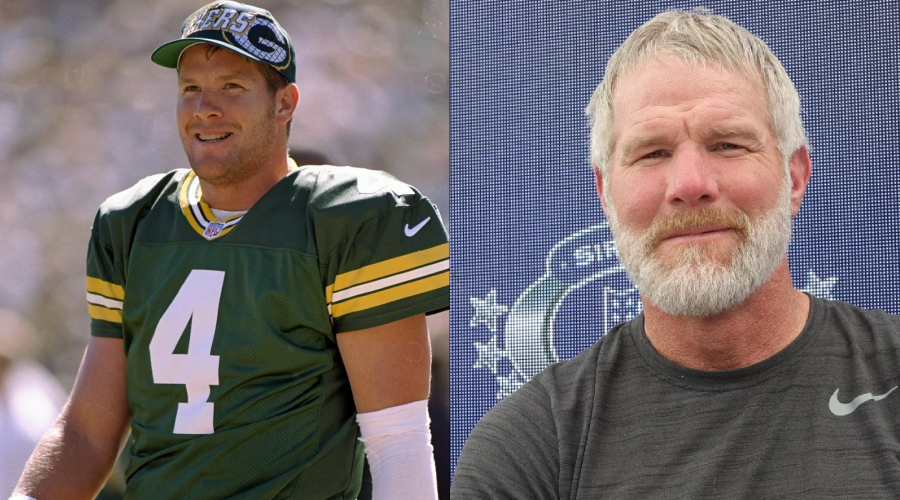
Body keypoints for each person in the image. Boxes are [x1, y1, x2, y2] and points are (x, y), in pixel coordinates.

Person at [452, 9, 900, 499]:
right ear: (605, 194)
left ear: (793, 176)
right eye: (652, 153)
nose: (689, 185)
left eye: (727, 144)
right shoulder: (531, 448)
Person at [12, 2, 448, 499]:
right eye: (190, 89)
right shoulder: (133, 222)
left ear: (284, 104)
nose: (204, 108)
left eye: (232, 87)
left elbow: (398, 441)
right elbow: (88, 434)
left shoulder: (347, 220)